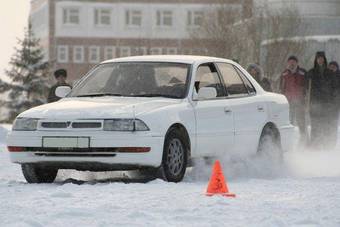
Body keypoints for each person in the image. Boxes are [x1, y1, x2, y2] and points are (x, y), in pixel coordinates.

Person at [307, 51, 337, 150]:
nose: (320, 60)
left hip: (326, 104)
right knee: (315, 125)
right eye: (318, 58)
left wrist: (332, 102)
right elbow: (306, 88)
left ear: (324, 59)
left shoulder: (330, 73)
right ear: (316, 60)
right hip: (315, 103)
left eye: (322, 58)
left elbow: (334, 88)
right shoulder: (311, 72)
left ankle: (326, 146)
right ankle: (314, 146)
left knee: (325, 125)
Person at [279, 56, 307, 141]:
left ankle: (305, 140)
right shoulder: (284, 74)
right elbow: (281, 88)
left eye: (294, 62)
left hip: (300, 101)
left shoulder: (303, 73)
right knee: (289, 122)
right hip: (288, 102)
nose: (292, 64)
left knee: (301, 122)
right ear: (287, 63)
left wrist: (304, 97)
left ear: (297, 63)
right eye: (290, 62)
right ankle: (288, 141)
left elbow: (307, 86)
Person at [327, 61, 340, 148]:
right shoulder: (326, 76)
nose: (332, 68)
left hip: (335, 104)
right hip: (326, 103)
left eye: (334, 66)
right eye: (330, 66)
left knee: (333, 123)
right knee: (325, 122)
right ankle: (325, 141)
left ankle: (332, 142)